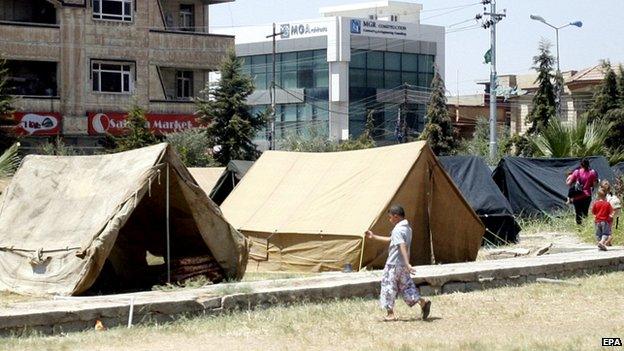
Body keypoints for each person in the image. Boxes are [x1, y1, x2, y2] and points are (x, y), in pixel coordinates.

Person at [365, 205, 431, 321]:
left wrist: (407, 263)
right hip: (402, 266)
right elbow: (392, 240)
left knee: (388, 287)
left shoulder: (397, 230)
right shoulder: (407, 229)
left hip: (393, 265)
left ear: (396, 217)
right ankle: (423, 302)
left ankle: (390, 314)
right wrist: (374, 237)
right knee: (406, 288)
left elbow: (402, 246)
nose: (389, 220)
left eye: (390, 218)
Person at [566, 158, 598, 225]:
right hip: (587, 196)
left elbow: (568, 183)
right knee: (585, 213)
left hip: (577, 196)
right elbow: (595, 185)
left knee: (578, 213)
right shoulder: (592, 173)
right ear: (588, 164)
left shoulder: (576, 172)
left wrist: (569, 177)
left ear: (581, 164)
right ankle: (585, 228)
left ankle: (579, 228)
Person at [600, 180, 621, 246]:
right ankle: (607, 242)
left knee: (605, 229)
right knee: (610, 229)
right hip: (612, 214)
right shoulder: (613, 197)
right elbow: (617, 208)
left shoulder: (603, 197)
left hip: (605, 215)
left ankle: (604, 242)